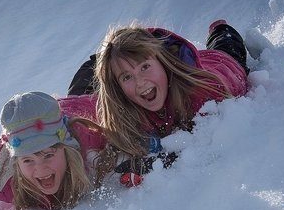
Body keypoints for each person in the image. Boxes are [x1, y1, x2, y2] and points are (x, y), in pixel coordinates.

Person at [68, 20, 249, 169]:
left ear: (163, 63)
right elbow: (74, 109)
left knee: (227, 46)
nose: (140, 82)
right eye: (127, 77)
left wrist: (156, 161)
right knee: (81, 88)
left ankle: (220, 28)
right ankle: (105, 59)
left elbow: (202, 145)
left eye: (145, 67)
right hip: (112, 75)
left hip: (221, 62)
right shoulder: (118, 103)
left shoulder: (204, 92)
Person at [0, 91, 106, 210]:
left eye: (48, 155)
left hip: (79, 107)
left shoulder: (87, 141)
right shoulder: (3, 182)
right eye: (28, 160)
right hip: (26, 130)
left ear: (66, 149)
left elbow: (110, 106)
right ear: (16, 163)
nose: (40, 169)